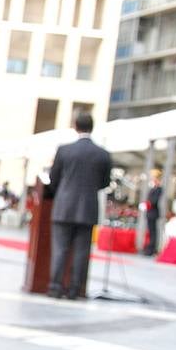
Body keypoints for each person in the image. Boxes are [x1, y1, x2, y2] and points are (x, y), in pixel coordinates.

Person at [44, 111, 112, 299]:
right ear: (92, 127)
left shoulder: (64, 150)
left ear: (75, 126)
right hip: (88, 208)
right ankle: (75, 290)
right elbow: (105, 182)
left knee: (60, 249)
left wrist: (64, 190)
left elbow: (53, 178)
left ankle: (55, 287)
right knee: (82, 251)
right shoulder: (103, 154)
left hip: (64, 206)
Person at [142, 169, 163, 256]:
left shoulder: (159, 188)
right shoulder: (153, 188)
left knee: (153, 231)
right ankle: (149, 248)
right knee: (151, 231)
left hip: (153, 213)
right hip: (150, 212)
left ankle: (152, 249)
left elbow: (154, 201)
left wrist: (147, 204)